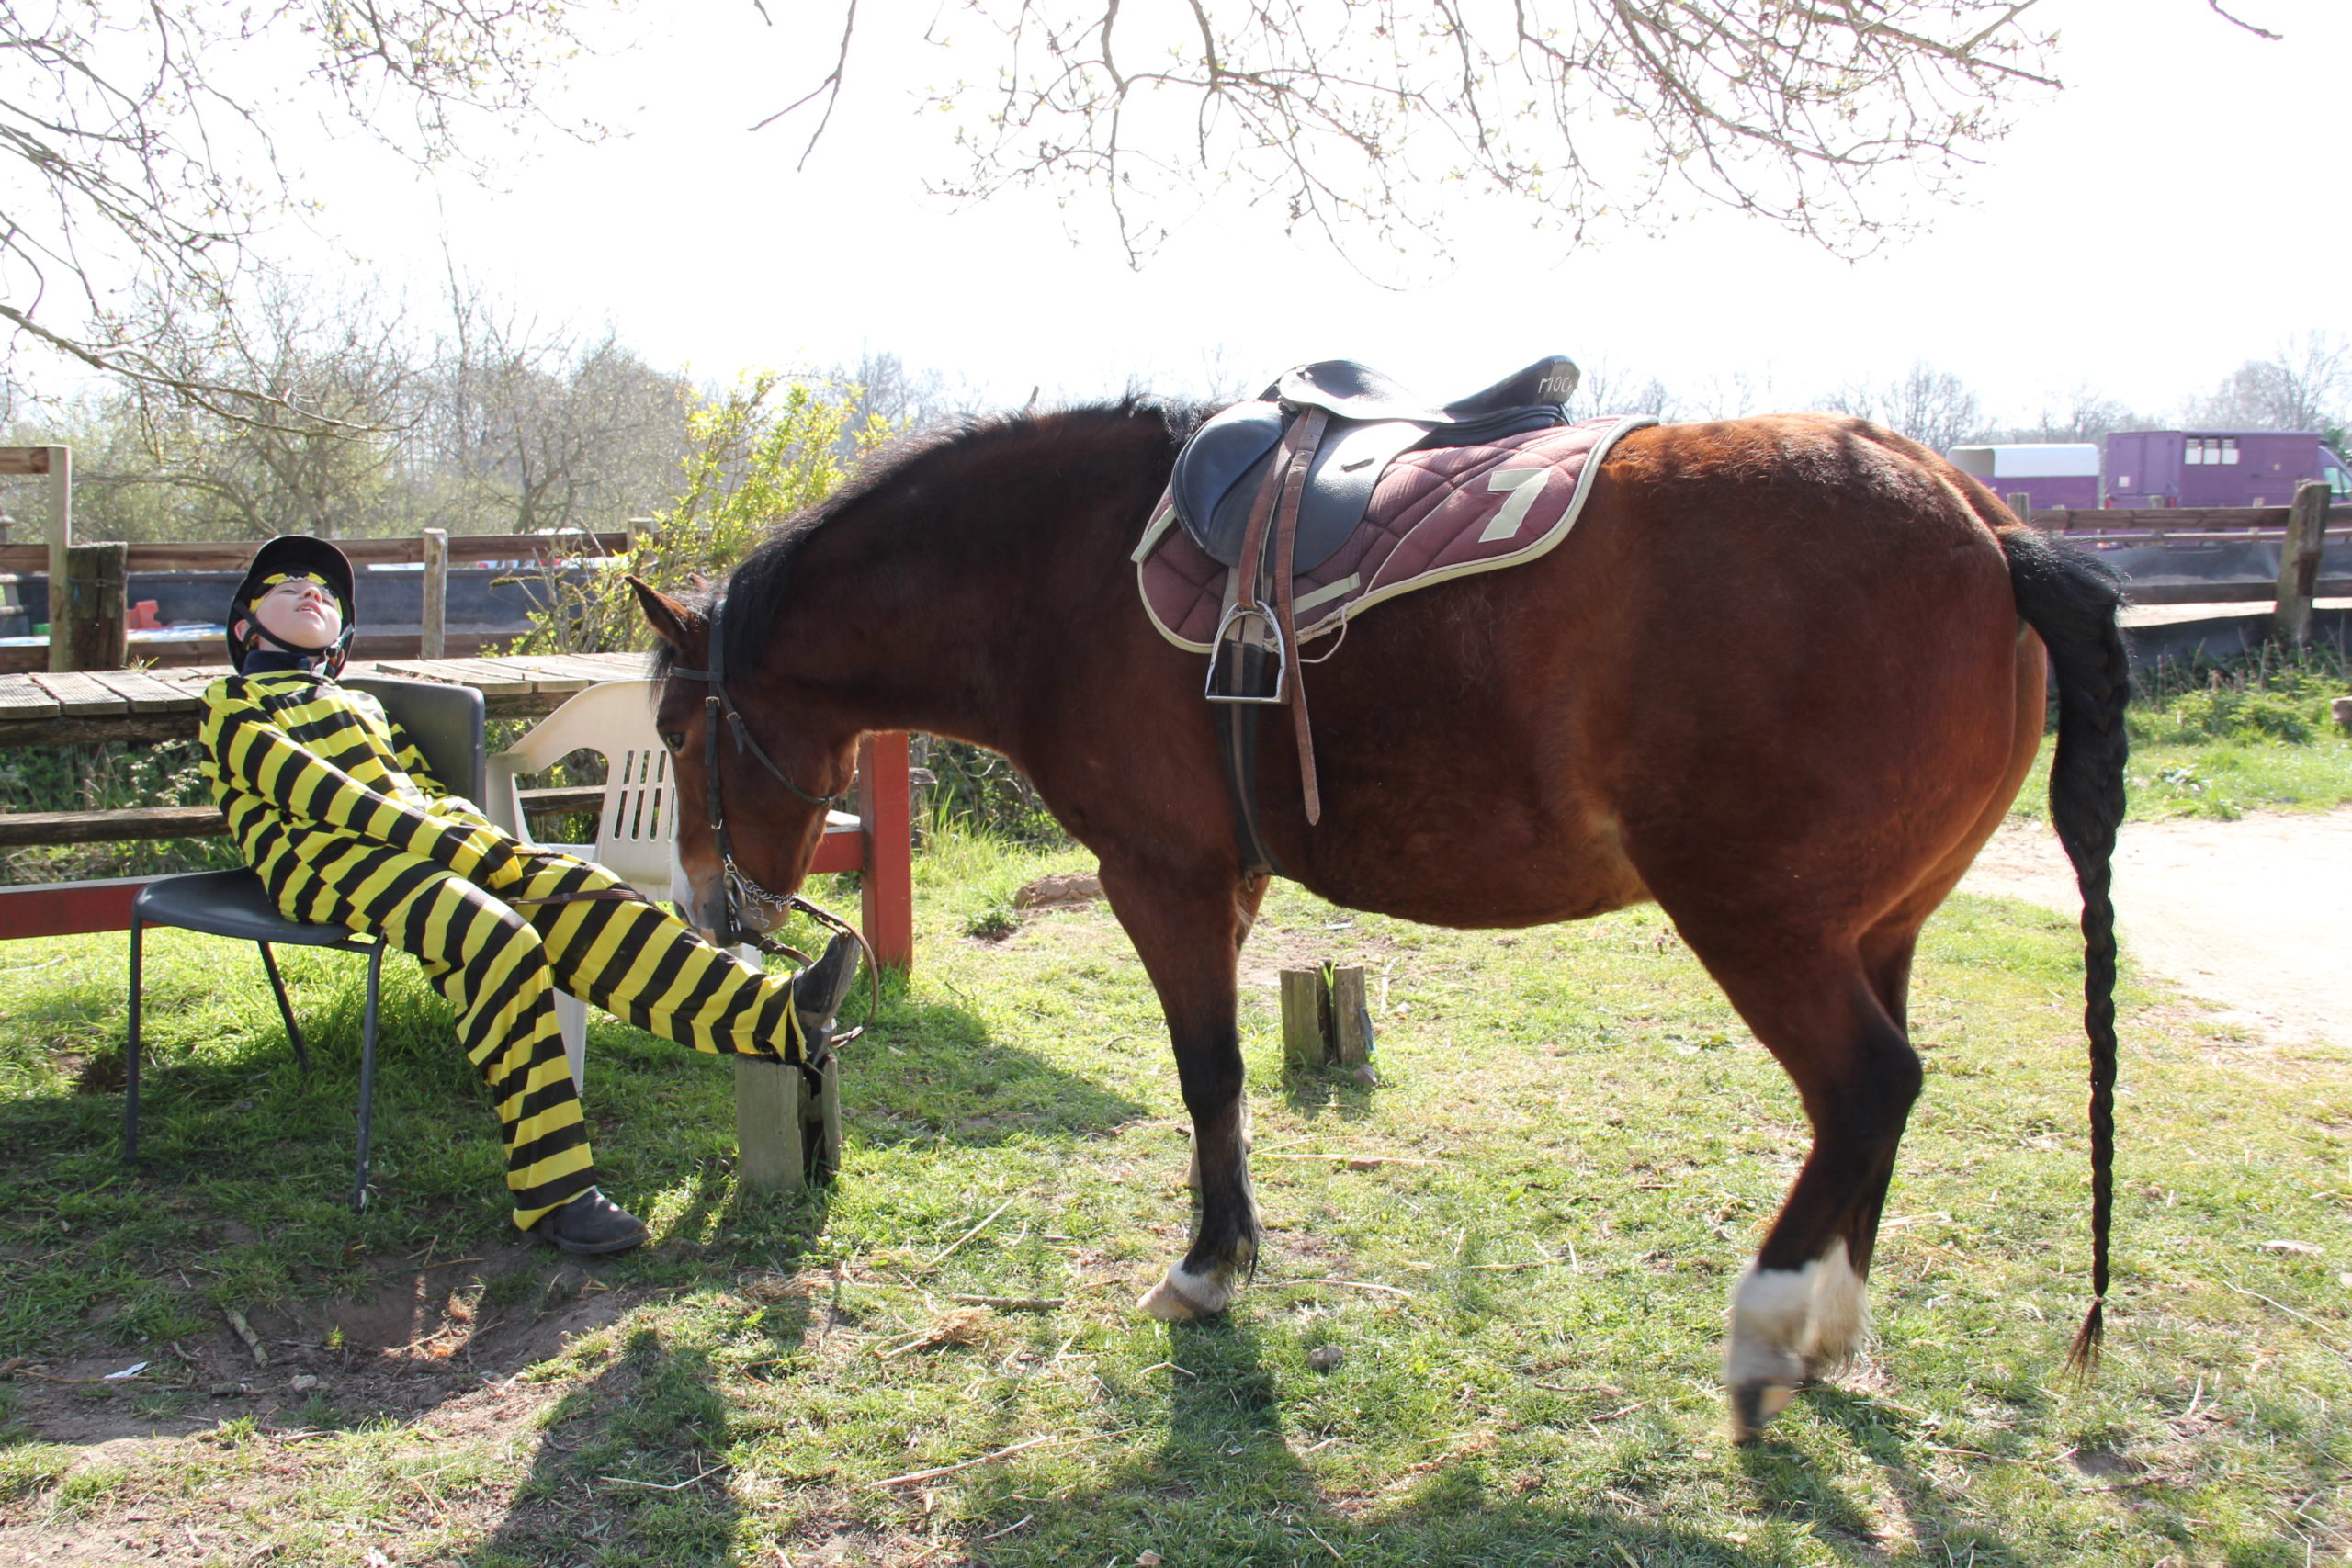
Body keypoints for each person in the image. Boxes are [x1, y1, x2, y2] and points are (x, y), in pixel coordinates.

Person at [197, 536, 859, 1254]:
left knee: (584, 890)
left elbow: (420, 790)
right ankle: (554, 1192)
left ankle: (776, 1015)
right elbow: (331, 799)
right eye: (286, 585)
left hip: (426, 846)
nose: (309, 590)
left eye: (324, 591)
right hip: (329, 860)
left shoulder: (360, 703)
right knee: (495, 937)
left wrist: (486, 844)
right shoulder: (231, 705)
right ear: (247, 628)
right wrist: (468, 850)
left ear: (340, 638)